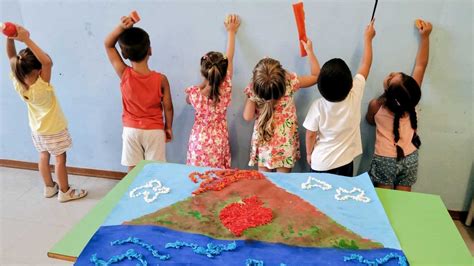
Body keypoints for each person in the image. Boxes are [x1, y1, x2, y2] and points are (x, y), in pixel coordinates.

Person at [5, 25, 87, 202]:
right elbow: (48, 61)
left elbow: (11, 57)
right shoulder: (41, 85)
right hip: (55, 129)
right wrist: (25, 39)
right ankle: (65, 191)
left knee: (43, 155)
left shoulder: (18, 82)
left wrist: (9, 36)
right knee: (60, 159)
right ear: (38, 70)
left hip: (37, 130)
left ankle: (49, 188)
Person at [366, 20, 432, 191]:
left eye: (390, 78)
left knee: (385, 201)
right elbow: (421, 65)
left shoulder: (376, 105)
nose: (392, 73)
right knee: (404, 199)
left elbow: (370, 120)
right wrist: (425, 38)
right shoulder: (410, 97)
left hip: (384, 158)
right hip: (410, 156)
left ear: (387, 92)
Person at [304, 20, 376, 177]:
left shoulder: (318, 106)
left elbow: (310, 134)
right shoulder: (354, 94)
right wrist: (368, 39)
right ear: (350, 84)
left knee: (319, 199)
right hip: (345, 162)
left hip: (320, 162)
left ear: (320, 87)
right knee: (341, 197)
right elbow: (366, 64)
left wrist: (309, 154)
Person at [104, 15, 174, 172]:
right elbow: (168, 107)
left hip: (131, 130)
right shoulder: (161, 79)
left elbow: (108, 45)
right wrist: (168, 128)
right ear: (150, 50)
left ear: (125, 55)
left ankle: (133, 194)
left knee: (133, 170)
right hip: (154, 131)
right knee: (155, 170)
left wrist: (122, 27)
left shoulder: (124, 73)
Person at [243, 40, 320, 173]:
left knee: (265, 183)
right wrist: (310, 52)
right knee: (282, 184)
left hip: (264, 140)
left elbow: (248, 116)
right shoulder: (289, 81)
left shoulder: (255, 89)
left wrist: (251, 90)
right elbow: (316, 76)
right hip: (285, 143)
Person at [185, 14, 240, 169]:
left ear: (204, 72)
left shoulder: (194, 94)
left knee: (197, 176)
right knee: (217, 177)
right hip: (218, 141)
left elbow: (188, 100)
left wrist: (202, 85)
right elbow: (230, 56)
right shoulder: (227, 87)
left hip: (199, 142)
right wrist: (231, 32)